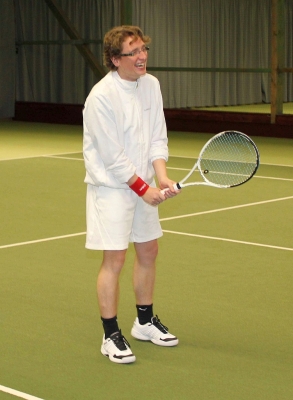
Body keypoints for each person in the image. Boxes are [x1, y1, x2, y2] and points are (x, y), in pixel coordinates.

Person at [83, 25, 180, 364]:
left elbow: (157, 136)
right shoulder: (100, 97)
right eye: (133, 51)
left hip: (146, 185)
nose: (142, 57)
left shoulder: (151, 85)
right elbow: (112, 155)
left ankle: (144, 321)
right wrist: (143, 189)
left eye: (143, 49)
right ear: (115, 59)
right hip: (111, 189)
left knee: (148, 250)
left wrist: (162, 177)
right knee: (115, 259)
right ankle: (110, 335)